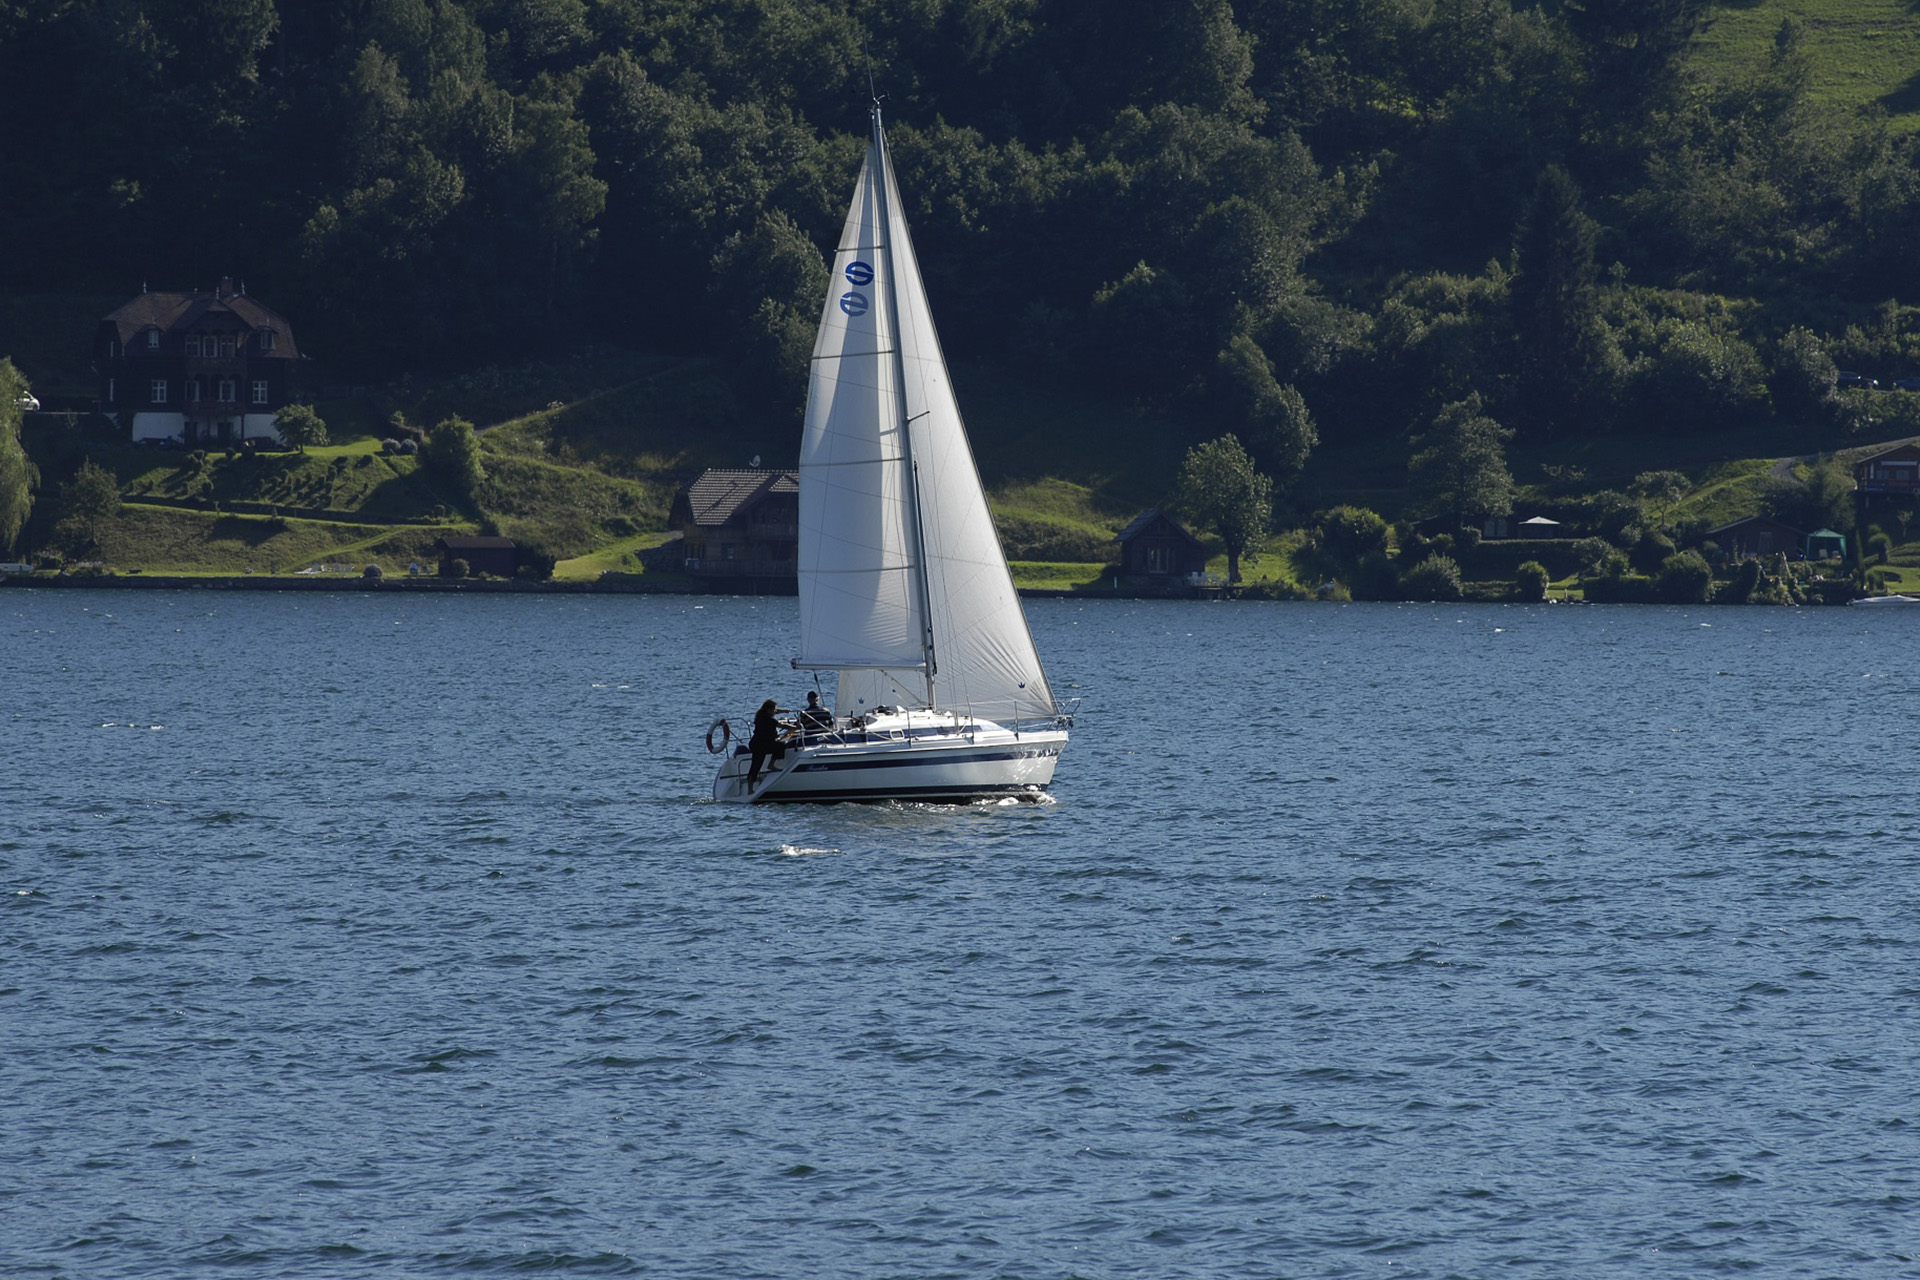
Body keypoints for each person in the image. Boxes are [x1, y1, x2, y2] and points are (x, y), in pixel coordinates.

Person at [746, 698, 788, 788]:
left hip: (757, 743)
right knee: (756, 766)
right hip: (761, 745)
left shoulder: (761, 715)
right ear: (769, 710)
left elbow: (776, 711)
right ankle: (770, 765)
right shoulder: (770, 720)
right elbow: (783, 725)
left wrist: (784, 711)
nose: (775, 711)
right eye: (774, 709)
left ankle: (770, 765)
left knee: (755, 766)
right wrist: (796, 727)